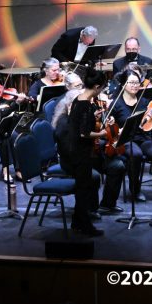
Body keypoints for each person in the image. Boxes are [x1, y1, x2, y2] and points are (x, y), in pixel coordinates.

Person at [56, 68, 108, 235]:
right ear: (97, 87)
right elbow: (84, 133)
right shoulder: (86, 104)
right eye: (102, 88)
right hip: (79, 153)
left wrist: (94, 116)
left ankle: (77, 222)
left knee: (82, 188)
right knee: (83, 189)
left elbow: (79, 122)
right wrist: (102, 133)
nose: (102, 91)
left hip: (74, 150)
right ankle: (84, 225)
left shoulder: (79, 99)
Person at [110, 70, 152, 200]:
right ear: (123, 84)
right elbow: (110, 127)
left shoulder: (144, 102)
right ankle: (135, 190)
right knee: (135, 155)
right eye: (131, 82)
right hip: (126, 140)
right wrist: (115, 128)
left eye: (137, 83)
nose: (135, 86)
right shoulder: (116, 104)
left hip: (143, 138)